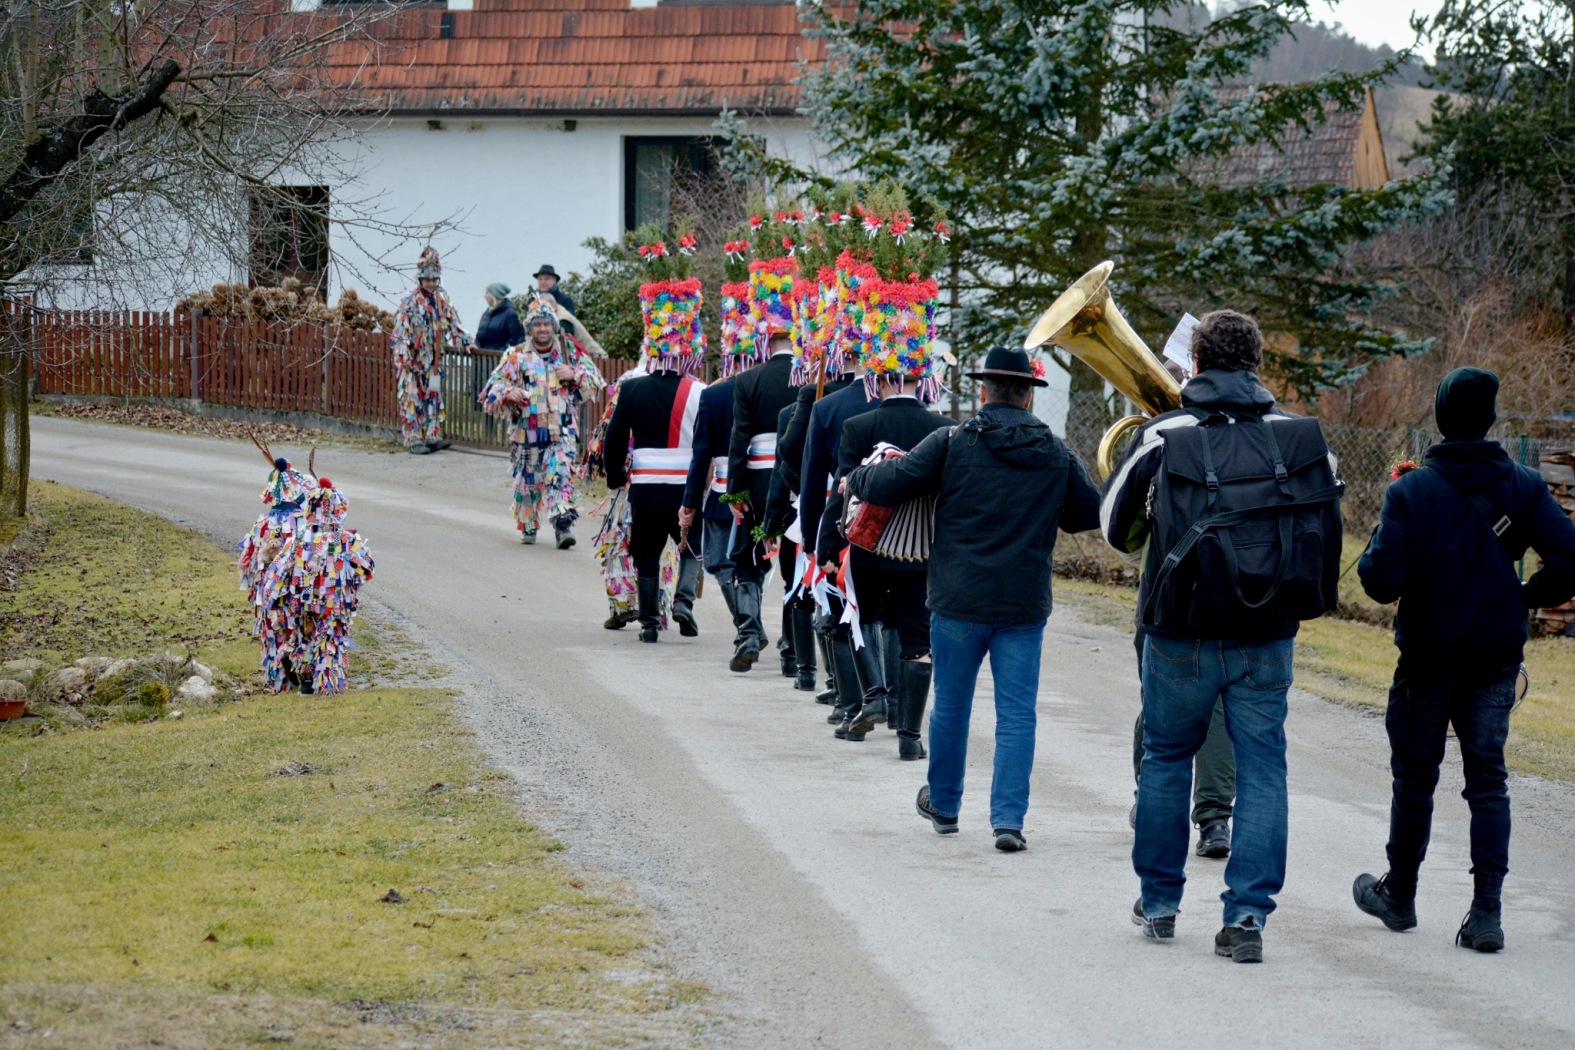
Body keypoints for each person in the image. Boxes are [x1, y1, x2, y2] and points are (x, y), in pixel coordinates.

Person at [1103, 309, 1343, 964]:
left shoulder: (1164, 433)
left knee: (1165, 757)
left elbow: (1113, 527)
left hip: (1179, 630)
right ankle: (1246, 918)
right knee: (1263, 766)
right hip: (1267, 632)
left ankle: (1159, 904)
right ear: (1257, 364)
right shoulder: (1302, 438)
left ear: (1197, 363)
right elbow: (1324, 526)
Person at [1352, 367, 1575, 953]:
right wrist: (1524, 596)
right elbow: (1571, 560)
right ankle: (1486, 914)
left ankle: (1400, 895)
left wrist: (1382, 537)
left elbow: (1379, 581)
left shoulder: (1411, 491)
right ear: (1491, 419)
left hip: (1427, 657)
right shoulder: (1525, 485)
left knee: (1415, 780)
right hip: (1495, 657)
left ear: (1440, 417)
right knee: (1488, 782)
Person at [844, 346, 1101, 850]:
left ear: (983, 393)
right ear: (1028, 397)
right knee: (1017, 714)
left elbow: (890, 483)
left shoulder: (952, 442)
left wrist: (855, 477)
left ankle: (944, 806)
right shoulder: (1055, 451)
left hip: (957, 600)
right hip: (1023, 604)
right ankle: (1008, 821)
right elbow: (1088, 513)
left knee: (951, 707)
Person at [1127, 356, 1237, 860]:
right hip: (1233, 591)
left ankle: (1149, 802)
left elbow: (1125, 533)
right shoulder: (1255, 437)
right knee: (1215, 708)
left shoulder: (1159, 441)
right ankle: (1214, 819)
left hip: (1165, 594)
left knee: (1158, 702)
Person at [821, 350, 953, 756]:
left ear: (877, 381)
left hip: (868, 546)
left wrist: (827, 544)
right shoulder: (945, 429)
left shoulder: (858, 426)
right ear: (922, 380)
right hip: (921, 551)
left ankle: (874, 696)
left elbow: (843, 493)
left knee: (859, 618)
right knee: (917, 639)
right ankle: (910, 738)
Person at [602, 339, 707, 643]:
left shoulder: (632, 388)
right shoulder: (699, 391)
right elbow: (707, 440)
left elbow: (614, 438)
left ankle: (648, 624)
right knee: (692, 545)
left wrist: (616, 476)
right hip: (685, 486)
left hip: (646, 484)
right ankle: (683, 602)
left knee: (646, 552)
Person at [477, 302, 605, 547]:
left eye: (547, 324)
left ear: (554, 326)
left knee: (560, 474)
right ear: (530, 328)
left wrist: (574, 374)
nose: (543, 329)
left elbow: (596, 379)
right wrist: (509, 392)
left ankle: (563, 527)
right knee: (528, 480)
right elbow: (492, 387)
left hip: (562, 430)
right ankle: (528, 524)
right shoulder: (516, 355)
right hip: (527, 432)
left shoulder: (570, 351)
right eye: (538, 325)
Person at [257, 474, 375, 695]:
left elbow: (280, 569)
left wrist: (274, 596)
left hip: (302, 601)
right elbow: (367, 569)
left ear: (310, 508)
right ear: (337, 509)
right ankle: (328, 684)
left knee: (304, 637)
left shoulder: (299, 540)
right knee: (331, 637)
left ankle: (306, 680)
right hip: (335, 602)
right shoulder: (347, 540)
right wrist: (350, 584)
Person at [725, 330, 798, 672]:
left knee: (747, 560)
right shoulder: (810, 376)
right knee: (795, 566)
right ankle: (792, 649)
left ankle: (750, 634)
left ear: (765, 344)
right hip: (796, 481)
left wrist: (736, 491)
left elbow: (739, 438)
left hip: (756, 481)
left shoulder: (748, 379)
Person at [238, 441, 316, 693]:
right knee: (300, 627)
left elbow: (248, 564)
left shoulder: (261, 526)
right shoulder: (305, 526)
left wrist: (257, 586)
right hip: (296, 590)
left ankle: (279, 677)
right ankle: (304, 674)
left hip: (269, 594)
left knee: (274, 630)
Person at [389, 245, 474, 454]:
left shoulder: (441, 300)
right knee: (412, 397)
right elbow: (400, 331)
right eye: (427, 279)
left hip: (433, 361)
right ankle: (413, 438)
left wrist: (465, 341)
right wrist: (403, 355)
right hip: (412, 360)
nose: (431, 283)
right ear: (420, 279)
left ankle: (432, 435)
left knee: (433, 396)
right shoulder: (409, 301)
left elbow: (453, 323)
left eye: (434, 279)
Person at [474, 282, 525, 351]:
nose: (484, 296)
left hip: (500, 356)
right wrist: (476, 346)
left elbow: (514, 338)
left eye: (487, 293)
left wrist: (501, 352)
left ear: (494, 294)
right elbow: (479, 337)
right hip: (483, 356)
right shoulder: (486, 314)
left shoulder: (510, 314)